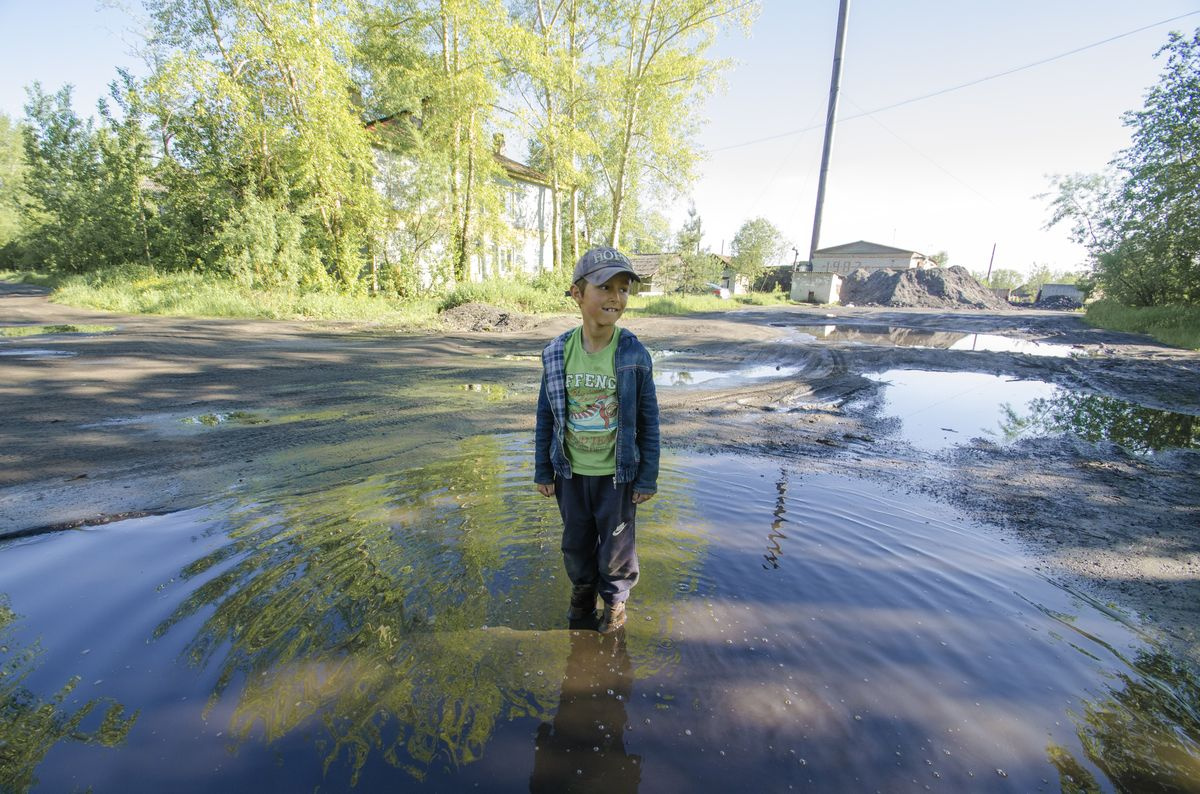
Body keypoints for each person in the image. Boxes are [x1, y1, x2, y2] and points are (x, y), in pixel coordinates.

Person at [534, 245, 660, 633]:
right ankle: (582, 593)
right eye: (605, 287)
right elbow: (545, 415)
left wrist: (647, 477)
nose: (616, 298)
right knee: (575, 544)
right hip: (570, 475)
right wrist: (542, 469)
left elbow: (648, 420)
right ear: (577, 293)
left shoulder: (633, 353)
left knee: (617, 551)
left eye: (624, 288)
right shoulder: (558, 353)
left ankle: (616, 605)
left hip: (617, 477)